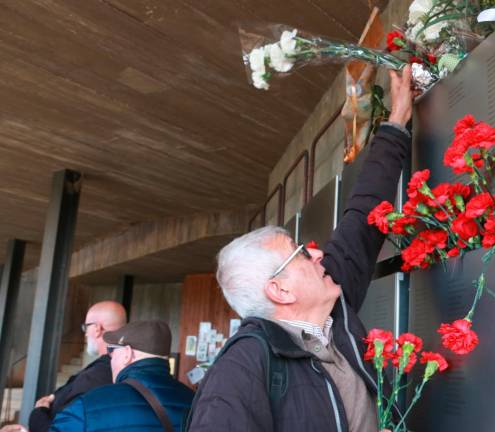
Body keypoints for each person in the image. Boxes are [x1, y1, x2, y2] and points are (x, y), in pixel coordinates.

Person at [186, 66, 414, 432]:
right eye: (302, 254)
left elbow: (363, 218)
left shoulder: (332, 312)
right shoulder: (240, 372)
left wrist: (396, 123)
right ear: (280, 289)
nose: (320, 253)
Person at [49, 320, 194, 432]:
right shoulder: (194, 400)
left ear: (127, 354)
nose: (110, 357)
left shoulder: (87, 405)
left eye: (112, 350)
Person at [9, 301, 127, 432]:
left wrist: (39, 411)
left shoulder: (100, 373)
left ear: (97, 328)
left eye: (86, 327)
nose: (86, 333)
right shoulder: (121, 369)